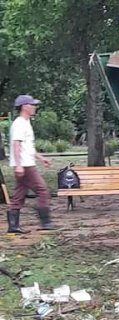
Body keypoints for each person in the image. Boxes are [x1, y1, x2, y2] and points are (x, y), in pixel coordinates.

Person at [7, 95, 56, 234]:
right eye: (32, 105)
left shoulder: (26, 122)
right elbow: (16, 145)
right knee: (42, 191)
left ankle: (13, 226)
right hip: (25, 165)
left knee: (19, 194)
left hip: (26, 163)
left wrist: (41, 158)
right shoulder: (19, 123)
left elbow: (28, 147)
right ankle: (45, 222)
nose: (35, 107)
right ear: (24, 106)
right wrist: (18, 165)